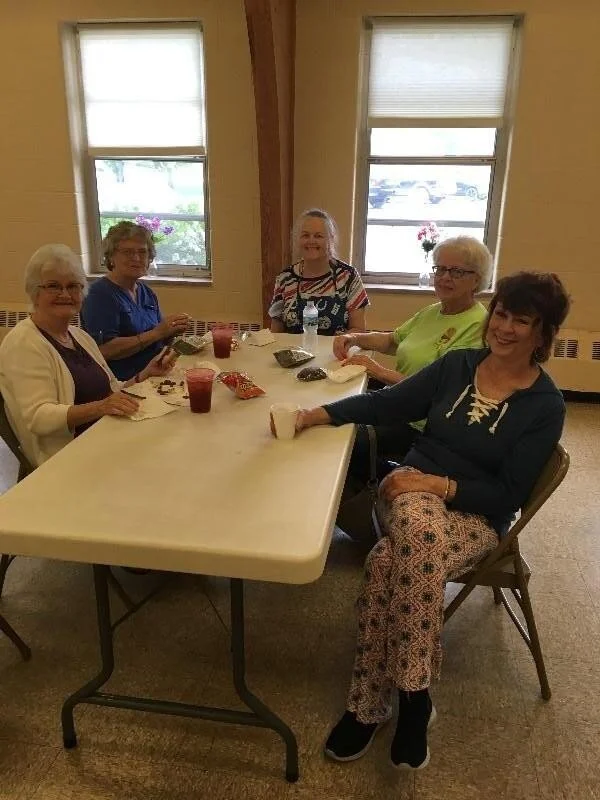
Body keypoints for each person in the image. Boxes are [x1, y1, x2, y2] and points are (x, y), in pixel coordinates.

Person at [290, 272, 570, 770]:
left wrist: (439, 485)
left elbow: (509, 494)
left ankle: (370, 705)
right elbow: (387, 403)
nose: (504, 327)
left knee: (387, 562)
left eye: (522, 320)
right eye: (502, 314)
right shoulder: (458, 366)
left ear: (543, 333)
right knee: (418, 528)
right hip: (407, 492)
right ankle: (415, 699)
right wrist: (321, 414)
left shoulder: (545, 405)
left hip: (476, 519)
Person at [0, 244, 177, 467]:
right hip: (67, 459)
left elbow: (113, 390)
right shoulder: (24, 343)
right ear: (35, 292)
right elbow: (39, 418)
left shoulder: (79, 336)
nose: (65, 294)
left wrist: (146, 374)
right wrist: (101, 407)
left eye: (73, 286)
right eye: (53, 286)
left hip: (106, 437)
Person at [333, 236, 492, 485]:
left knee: (344, 438)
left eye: (456, 272)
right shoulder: (433, 311)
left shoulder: (477, 325)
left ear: (477, 279)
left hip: (421, 424)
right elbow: (392, 341)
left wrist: (378, 371)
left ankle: (385, 483)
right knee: (334, 410)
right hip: (396, 402)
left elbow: (439, 391)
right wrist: (353, 338)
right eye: (440, 269)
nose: (445, 277)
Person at [80, 221, 190, 380]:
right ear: (111, 257)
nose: (136, 258)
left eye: (142, 252)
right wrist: (157, 332)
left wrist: (171, 331)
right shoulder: (99, 294)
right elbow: (104, 351)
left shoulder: (146, 292)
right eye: (127, 252)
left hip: (155, 374)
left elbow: (157, 338)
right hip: (123, 383)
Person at [269, 209, 369, 335]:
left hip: (336, 348)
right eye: (305, 235)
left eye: (318, 236)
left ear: (331, 240)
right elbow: (276, 332)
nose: (311, 241)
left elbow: (358, 330)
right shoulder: (285, 278)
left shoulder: (348, 277)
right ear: (298, 239)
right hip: (292, 348)